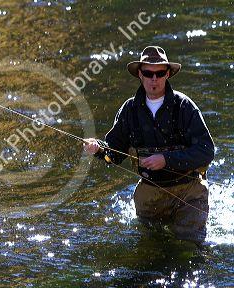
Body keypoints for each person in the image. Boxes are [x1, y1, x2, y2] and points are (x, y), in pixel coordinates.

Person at [84, 46, 215, 244]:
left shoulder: (185, 107)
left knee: (188, 245)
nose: (154, 79)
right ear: (140, 74)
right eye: (148, 73)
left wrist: (166, 160)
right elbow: (114, 153)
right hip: (150, 196)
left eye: (160, 73)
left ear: (168, 74)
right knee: (152, 246)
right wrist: (99, 149)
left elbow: (206, 151)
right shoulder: (129, 110)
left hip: (190, 192)